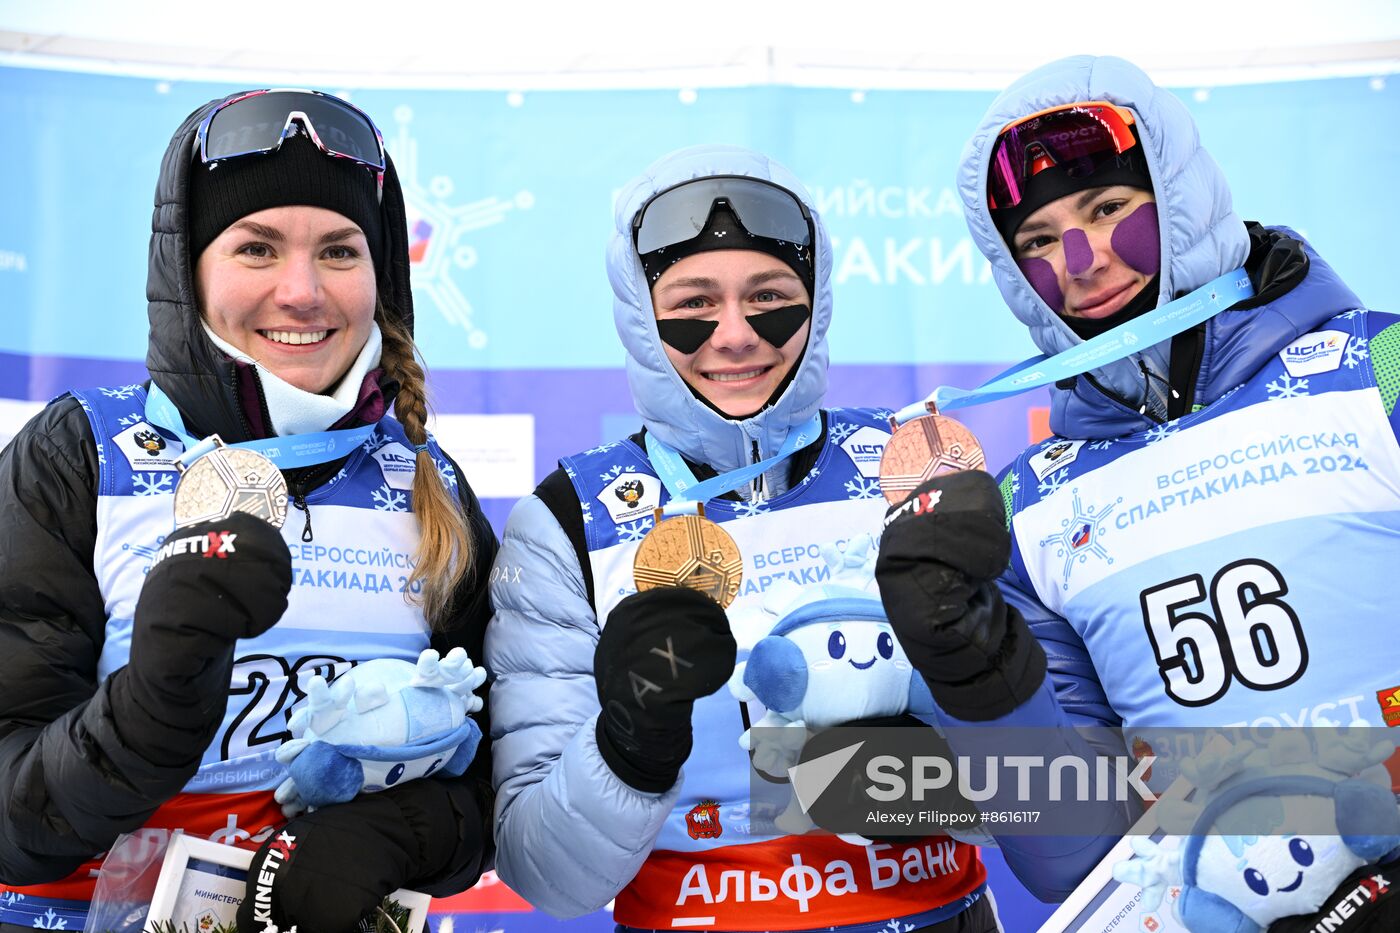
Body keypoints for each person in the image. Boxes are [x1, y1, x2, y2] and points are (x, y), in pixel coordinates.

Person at [873, 53, 1400, 908]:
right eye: (1037, 241)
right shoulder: (1029, 506)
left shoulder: (1381, 365)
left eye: (1110, 207)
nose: (1078, 258)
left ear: (1181, 197)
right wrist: (981, 680)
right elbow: (1074, 861)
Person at [0, 89, 497, 933]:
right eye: (257, 247)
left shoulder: (429, 482)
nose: (302, 292)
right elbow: (11, 816)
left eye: (339, 251)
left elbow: (495, 786)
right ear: (187, 266)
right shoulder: (80, 453)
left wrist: (392, 835)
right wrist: (150, 708)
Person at [487, 145, 999, 932]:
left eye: (769, 295)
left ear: (817, 299)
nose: (735, 335)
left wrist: (921, 778)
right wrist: (630, 746)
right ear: (639, 310)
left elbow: (1069, 782)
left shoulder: (910, 462)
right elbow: (543, 874)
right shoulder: (570, 515)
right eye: (694, 303)